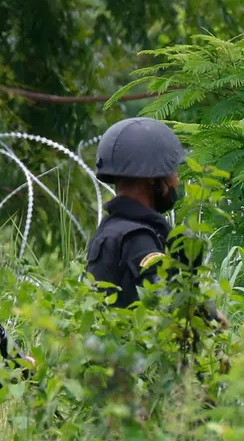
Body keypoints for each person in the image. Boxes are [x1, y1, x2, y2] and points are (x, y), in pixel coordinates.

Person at [87, 117, 227, 326]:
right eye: (171, 172)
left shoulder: (110, 229)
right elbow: (166, 310)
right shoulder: (138, 239)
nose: (177, 180)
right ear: (153, 178)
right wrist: (207, 316)